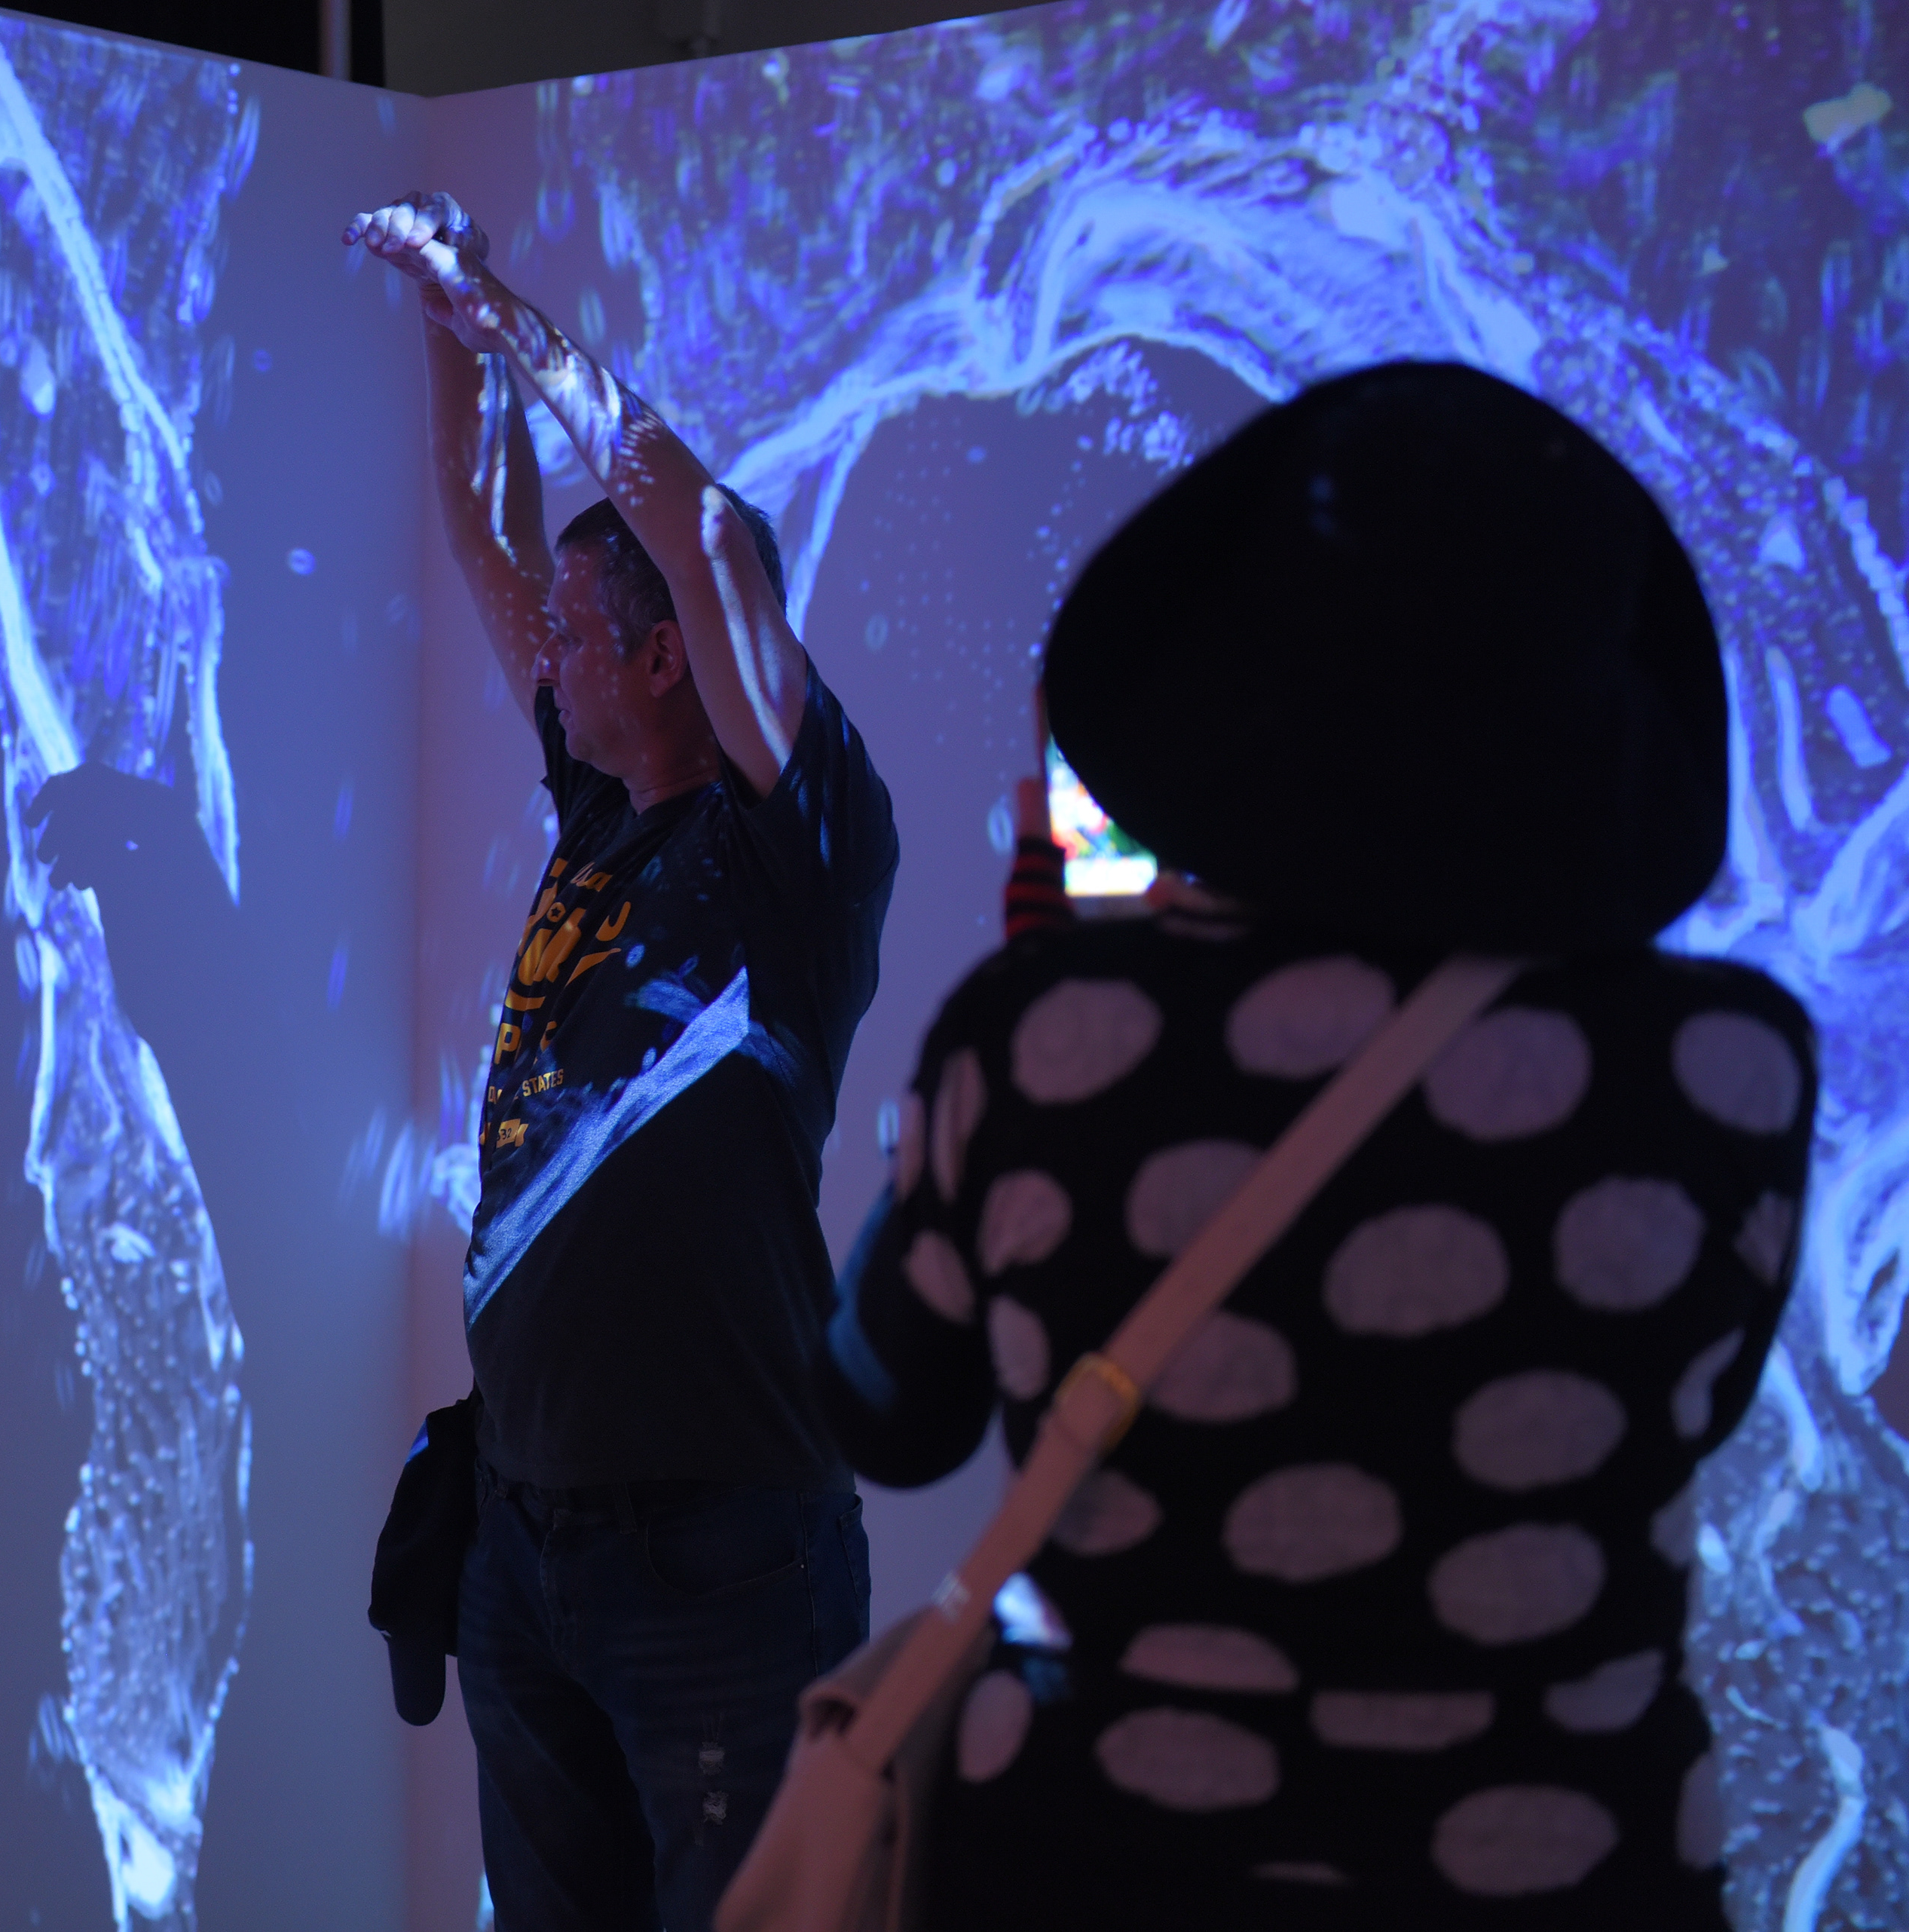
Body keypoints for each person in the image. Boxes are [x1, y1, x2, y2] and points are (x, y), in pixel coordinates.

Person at [823, 360, 1813, 1926]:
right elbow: (1685, 1404)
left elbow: (885, 1416)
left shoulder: (1039, 1040)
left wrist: (987, 1068)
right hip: (1562, 1879)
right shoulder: (1728, 1064)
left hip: (1107, 1878)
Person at [344, 193, 898, 1930]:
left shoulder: (795, 844)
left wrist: (511, 318)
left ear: (671, 657)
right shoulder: (605, 805)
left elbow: (704, 530)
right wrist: (443, 324)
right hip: (530, 1540)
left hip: (716, 1559)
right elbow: (484, 525)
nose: (545, 653)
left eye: (581, 636)